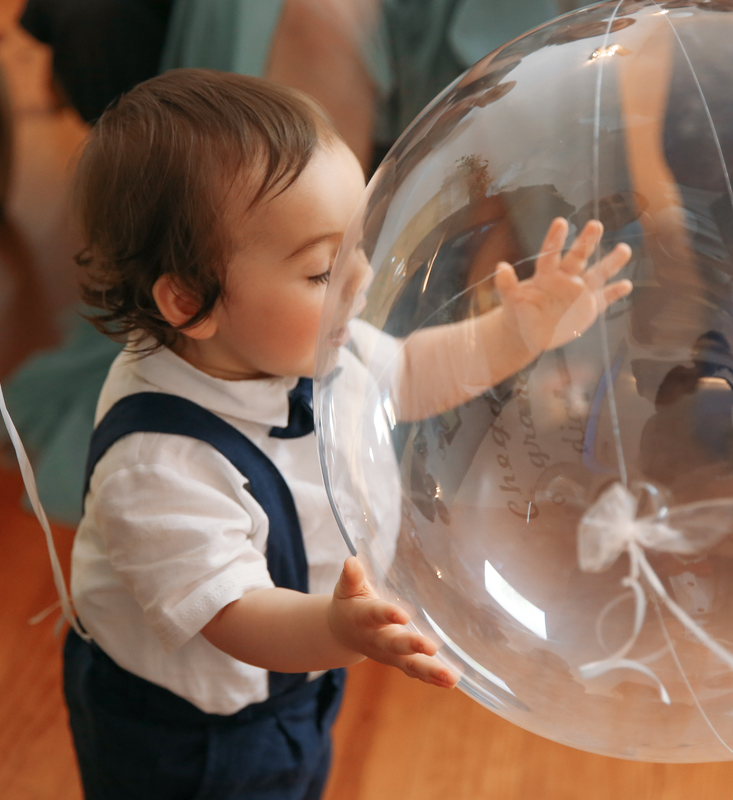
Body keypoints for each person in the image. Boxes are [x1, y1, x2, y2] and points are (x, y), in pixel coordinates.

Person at [62, 68, 632, 800]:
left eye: (357, 244)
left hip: (305, 669)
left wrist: (517, 332)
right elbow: (233, 615)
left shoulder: (312, 343)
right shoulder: (157, 465)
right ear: (190, 303)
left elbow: (416, 374)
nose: (359, 278)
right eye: (323, 268)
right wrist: (335, 632)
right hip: (193, 729)